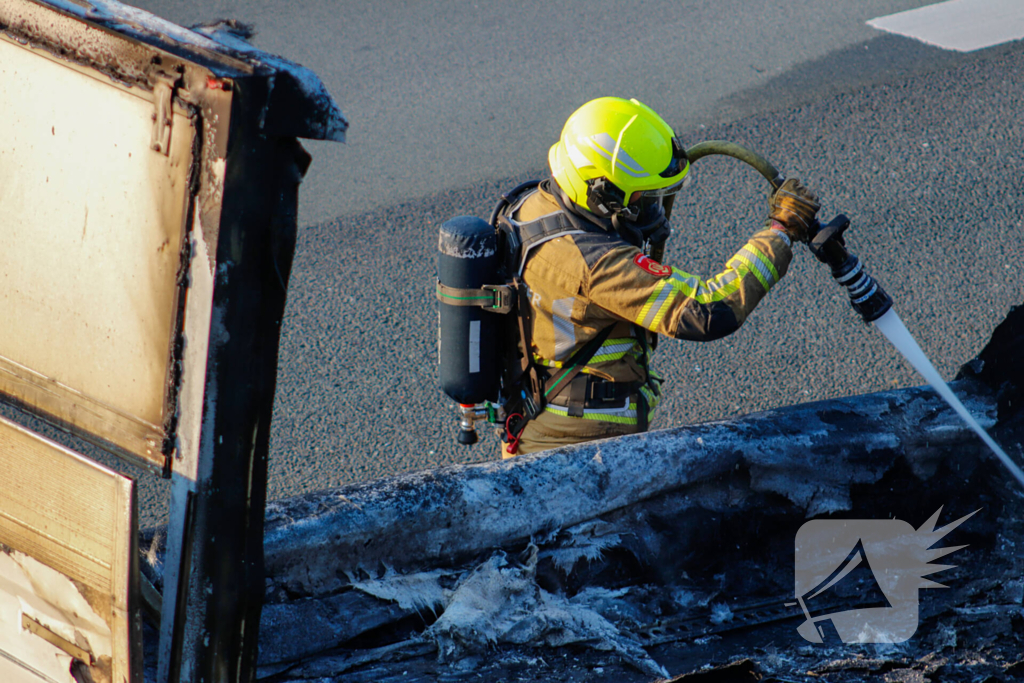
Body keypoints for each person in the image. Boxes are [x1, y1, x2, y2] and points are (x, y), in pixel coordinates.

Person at [497, 96, 820, 457]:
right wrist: (779, 232)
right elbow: (708, 311)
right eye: (645, 199)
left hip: (537, 418)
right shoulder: (595, 263)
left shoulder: (532, 205)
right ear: (603, 195)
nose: (653, 209)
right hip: (582, 445)